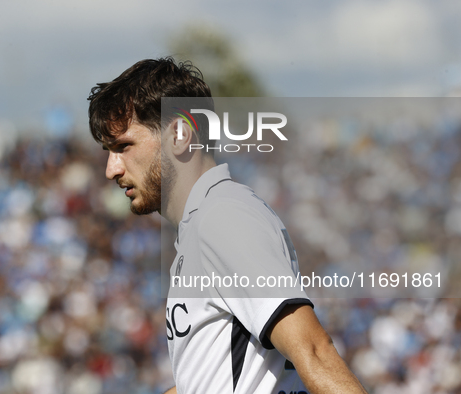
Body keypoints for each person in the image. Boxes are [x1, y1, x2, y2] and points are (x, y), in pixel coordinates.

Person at [88, 57, 367, 394]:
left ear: (179, 134)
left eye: (123, 146)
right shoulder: (202, 224)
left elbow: (314, 352)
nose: (112, 168)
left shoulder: (222, 217)